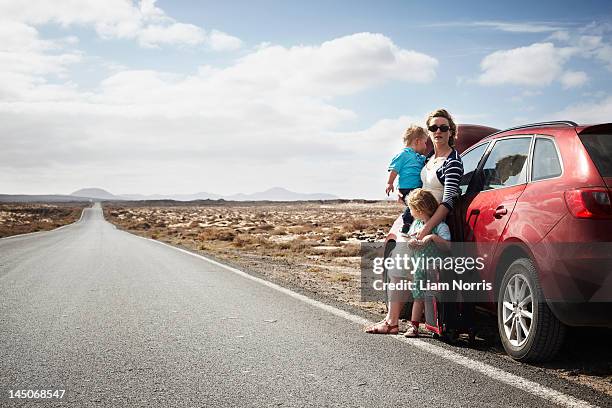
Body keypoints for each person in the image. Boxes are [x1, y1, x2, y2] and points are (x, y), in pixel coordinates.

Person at [365, 108, 464, 335]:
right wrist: (407, 196)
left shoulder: (453, 162)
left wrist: (427, 229)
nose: (438, 131)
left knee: (404, 268)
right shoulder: (429, 159)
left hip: (433, 226)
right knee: (397, 267)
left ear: (451, 131)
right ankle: (393, 321)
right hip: (418, 222)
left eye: (443, 127)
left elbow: (447, 202)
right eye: (433, 127)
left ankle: (398, 322)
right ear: (428, 132)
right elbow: (418, 184)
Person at [402, 189, 451, 337]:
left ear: (419, 209)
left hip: (436, 270)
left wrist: (432, 238)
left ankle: (438, 326)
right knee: (418, 297)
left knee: (435, 297)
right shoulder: (416, 225)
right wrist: (412, 243)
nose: (410, 212)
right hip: (419, 268)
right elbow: (410, 241)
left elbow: (448, 246)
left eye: (411, 208)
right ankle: (414, 326)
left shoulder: (441, 227)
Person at [385, 125, 428, 234]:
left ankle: (414, 226)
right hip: (407, 188)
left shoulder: (419, 157)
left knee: (418, 206)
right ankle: (407, 223)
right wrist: (390, 183)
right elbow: (394, 169)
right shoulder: (403, 155)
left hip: (417, 188)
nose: (426, 146)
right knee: (413, 205)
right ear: (417, 141)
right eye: (425, 142)